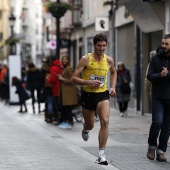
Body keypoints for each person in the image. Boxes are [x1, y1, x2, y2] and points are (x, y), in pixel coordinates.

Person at [72, 33, 117, 165]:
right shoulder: (86, 59)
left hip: (102, 94)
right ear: (94, 45)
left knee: (105, 120)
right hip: (88, 95)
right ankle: (85, 128)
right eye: (99, 45)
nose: (102, 48)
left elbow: (113, 72)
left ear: (106, 45)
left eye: (104, 45)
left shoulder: (109, 60)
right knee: (91, 125)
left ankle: (101, 155)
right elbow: (73, 78)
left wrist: (113, 87)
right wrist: (88, 82)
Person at [147, 34, 170, 162]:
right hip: (158, 97)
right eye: (163, 43)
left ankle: (161, 151)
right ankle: (151, 146)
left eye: (167, 44)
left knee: (167, 126)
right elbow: (149, 76)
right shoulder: (155, 59)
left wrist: (168, 74)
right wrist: (161, 75)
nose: (164, 46)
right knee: (157, 122)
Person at [58, 54, 77, 129]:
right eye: (63, 59)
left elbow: (72, 80)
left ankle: (69, 122)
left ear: (68, 60)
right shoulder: (64, 68)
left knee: (68, 108)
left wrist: (62, 79)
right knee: (64, 108)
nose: (64, 60)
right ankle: (66, 121)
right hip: (65, 92)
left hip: (68, 93)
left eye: (65, 59)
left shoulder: (69, 68)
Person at [47, 56, 62, 125]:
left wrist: (48, 79)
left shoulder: (53, 68)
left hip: (56, 89)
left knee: (57, 105)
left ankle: (58, 119)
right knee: (60, 105)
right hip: (61, 88)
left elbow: (52, 79)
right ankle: (60, 119)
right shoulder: (60, 66)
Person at [40, 57, 53, 123]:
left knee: (48, 102)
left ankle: (48, 117)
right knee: (52, 102)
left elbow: (41, 79)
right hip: (53, 87)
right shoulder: (52, 68)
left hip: (46, 88)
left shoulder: (43, 69)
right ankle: (53, 116)